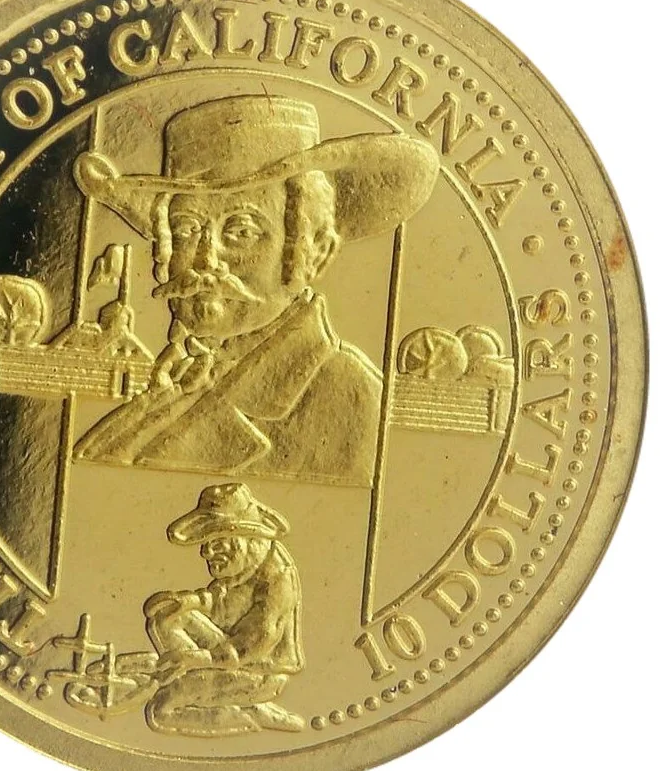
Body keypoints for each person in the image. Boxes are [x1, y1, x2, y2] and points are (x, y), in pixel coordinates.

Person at [72, 94, 438, 487]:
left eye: (242, 232)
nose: (206, 260)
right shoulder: (172, 380)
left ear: (314, 253)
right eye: (187, 229)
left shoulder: (355, 404)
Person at [142, 482, 304, 736]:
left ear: (247, 538)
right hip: (227, 656)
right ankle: (187, 675)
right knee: (167, 617)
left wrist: (200, 659)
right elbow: (222, 605)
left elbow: (258, 640)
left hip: (259, 673)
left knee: (160, 709)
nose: (206, 552)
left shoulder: (277, 576)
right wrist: (189, 601)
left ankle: (247, 716)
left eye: (217, 542)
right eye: (206, 542)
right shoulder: (244, 565)